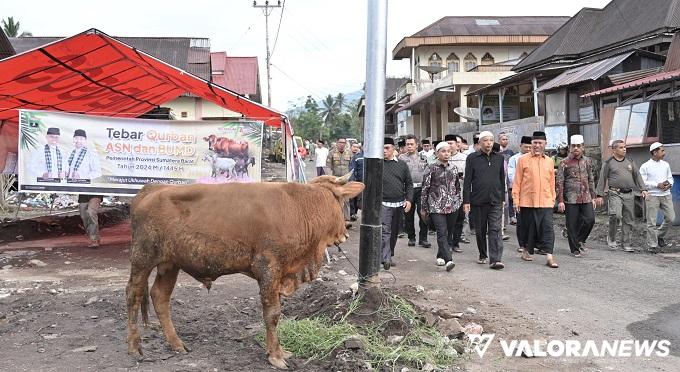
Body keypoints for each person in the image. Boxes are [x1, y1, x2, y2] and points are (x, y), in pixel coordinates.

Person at [513, 131, 559, 268]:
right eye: (535, 143)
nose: (537, 145)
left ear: (545, 144)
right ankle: (526, 250)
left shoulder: (549, 161)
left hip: (546, 200)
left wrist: (552, 198)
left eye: (540, 143)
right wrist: (516, 200)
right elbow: (517, 181)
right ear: (531, 144)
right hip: (527, 200)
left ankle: (549, 256)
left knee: (548, 228)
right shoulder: (523, 160)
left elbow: (552, 181)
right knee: (529, 229)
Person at [595, 140, 649, 252]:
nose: (624, 149)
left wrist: (643, 189)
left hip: (629, 194)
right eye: (621, 147)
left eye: (624, 147)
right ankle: (612, 238)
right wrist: (599, 194)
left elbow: (637, 176)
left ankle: (626, 243)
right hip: (615, 193)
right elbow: (602, 178)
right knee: (616, 215)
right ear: (614, 150)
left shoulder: (630, 161)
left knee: (629, 219)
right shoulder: (609, 163)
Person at [463, 131, 505, 270]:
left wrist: (503, 198)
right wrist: (466, 201)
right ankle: (482, 254)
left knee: (495, 229)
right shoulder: (472, 158)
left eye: (491, 140)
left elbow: (501, 179)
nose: (488, 143)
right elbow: (467, 180)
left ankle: (496, 259)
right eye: (485, 140)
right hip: (478, 201)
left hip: (496, 200)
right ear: (479, 143)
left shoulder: (499, 158)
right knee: (480, 230)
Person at [421, 141, 459, 272]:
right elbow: (425, 188)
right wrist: (423, 207)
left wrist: (457, 201)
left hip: (452, 206)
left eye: (448, 151)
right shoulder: (431, 168)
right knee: (441, 232)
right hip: (436, 206)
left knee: (448, 232)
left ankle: (440, 255)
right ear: (437, 153)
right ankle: (449, 260)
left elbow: (457, 187)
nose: (446, 154)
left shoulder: (453, 168)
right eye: (443, 151)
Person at [556, 135, 596, 258]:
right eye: (574, 146)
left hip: (586, 196)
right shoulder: (564, 163)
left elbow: (591, 179)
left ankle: (579, 240)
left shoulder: (587, 161)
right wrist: (560, 201)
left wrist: (593, 197)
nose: (576, 148)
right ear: (570, 147)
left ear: (583, 147)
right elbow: (559, 182)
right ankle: (574, 249)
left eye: (579, 146)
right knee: (572, 224)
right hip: (571, 198)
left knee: (590, 219)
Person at [381, 137, 413, 270]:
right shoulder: (377, 165)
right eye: (381, 148)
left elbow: (409, 184)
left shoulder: (401, 165)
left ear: (393, 149)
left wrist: (409, 200)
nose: (384, 151)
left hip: (399, 204)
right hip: (383, 203)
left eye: (387, 148)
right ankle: (386, 258)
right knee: (385, 231)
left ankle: (389, 254)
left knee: (394, 232)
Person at [639, 142, 675, 253]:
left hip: (666, 195)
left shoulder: (666, 164)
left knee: (671, 218)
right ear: (654, 152)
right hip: (652, 195)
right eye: (662, 151)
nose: (664, 153)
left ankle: (659, 235)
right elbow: (642, 182)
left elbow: (671, 178)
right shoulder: (645, 166)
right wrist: (656, 184)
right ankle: (652, 245)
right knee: (651, 221)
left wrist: (670, 184)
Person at [398, 135, 431, 248]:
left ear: (417, 145)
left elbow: (427, 173)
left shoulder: (423, 158)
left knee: (423, 213)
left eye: (412, 144)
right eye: (407, 144)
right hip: (407, 189)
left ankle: (423, 239)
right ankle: (411, 238)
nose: (409, 146)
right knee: (408, 214)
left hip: (421, 189)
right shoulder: (401, 158)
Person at [508, 136, 532, 252]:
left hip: (533, 193)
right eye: (526, 147)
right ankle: (522, 243)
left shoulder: (535, 158)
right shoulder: (514, 159)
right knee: (521, 219)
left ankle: (532, 243)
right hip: (520, 192)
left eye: (530, 147)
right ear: (520, 146)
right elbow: (511, 175)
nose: (528, 149)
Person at [446, 134, 467, 252]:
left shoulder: (464, 158)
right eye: (447, 143)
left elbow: (469, 176)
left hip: (461, 194)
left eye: (451, 143)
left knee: (460, 219)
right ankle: (448, 243)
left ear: (456, 145)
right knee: (448, 221)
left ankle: (456, 243)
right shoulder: (442, 157)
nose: (449, 146)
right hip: (445, 196)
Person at [328, 138, 353, 222]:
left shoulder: (349, 153)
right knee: (335, 199)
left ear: (345, 144)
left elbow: (352, 166)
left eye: (343, 143)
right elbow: (328, 166)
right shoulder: (331, 153)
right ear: (337, 143)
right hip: (335, 180)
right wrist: (331, 178)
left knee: (346, 199)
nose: (342, 144)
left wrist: (350, 177)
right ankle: (335, 219)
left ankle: (346, 219)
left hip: (346, 180)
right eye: (340, 142)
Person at [348, 143, 364, 221]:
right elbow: (352, 170)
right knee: (355, 199)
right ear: (363, 147)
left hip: (370, 183)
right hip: (358, 182)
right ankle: (353, 213)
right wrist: (352, 181)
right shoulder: (357, 157)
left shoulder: (374, 157)